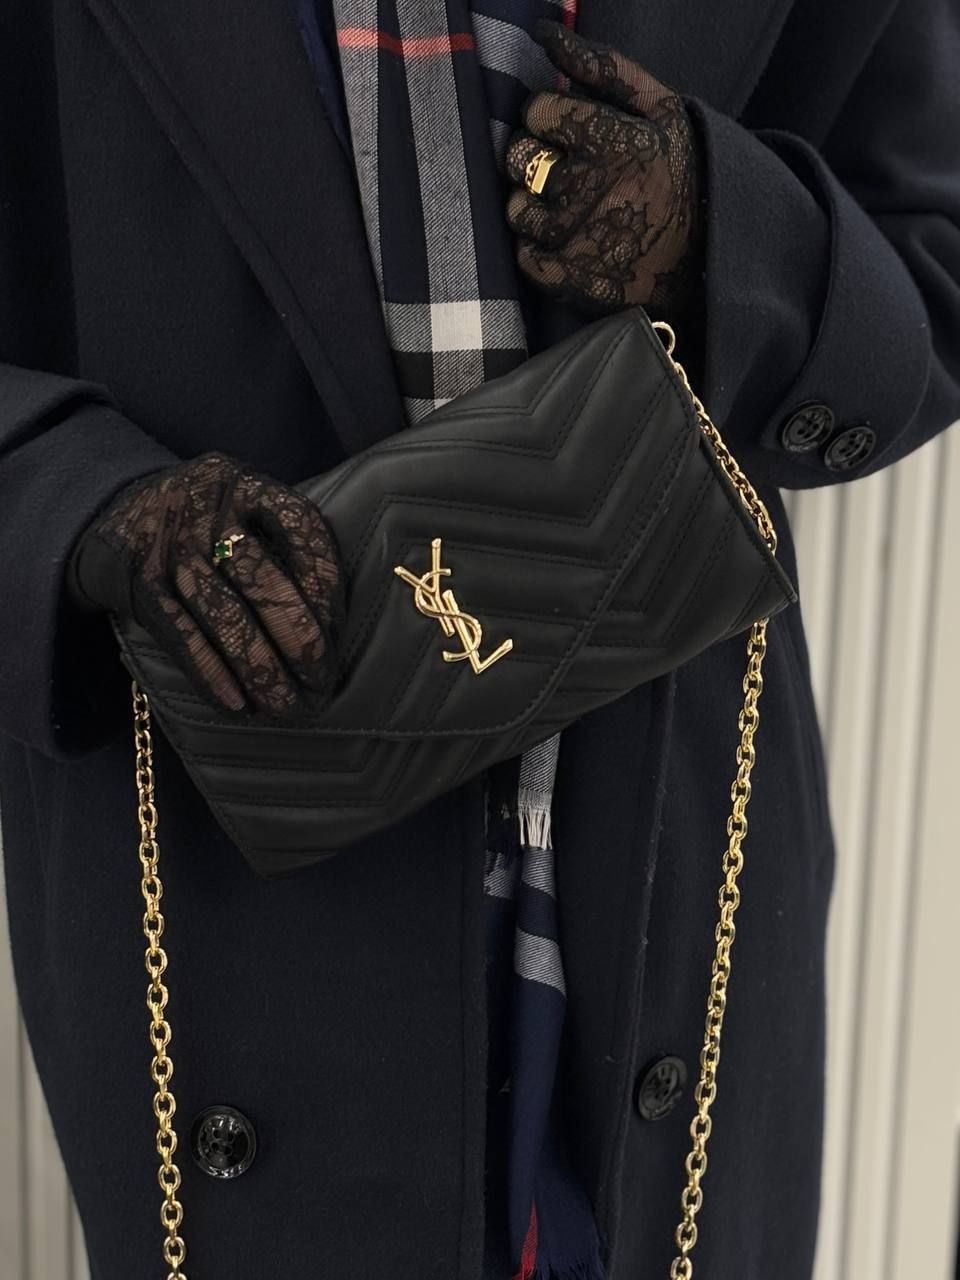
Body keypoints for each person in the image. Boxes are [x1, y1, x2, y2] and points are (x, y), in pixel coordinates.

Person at [0, 1, 956, 1278]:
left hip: (675, 867)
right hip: (227, 860)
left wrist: (732, 238)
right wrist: (77, 504)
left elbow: (931, 251)